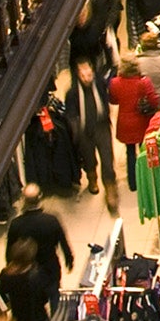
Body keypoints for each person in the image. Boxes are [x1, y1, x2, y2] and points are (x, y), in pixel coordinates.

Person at [61, 59, 118, 211]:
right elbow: (70, 113)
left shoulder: (100, 84)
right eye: (83, 75)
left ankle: (110, 189)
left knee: (107, 159)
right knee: (89, 159)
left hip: (102, 126)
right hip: (84, 130)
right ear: (78, 75)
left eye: (89, 74)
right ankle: (92, 179)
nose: (87, 77)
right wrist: (76, 128)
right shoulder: (72, 93)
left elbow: (106, 100)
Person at [6, 185, 74, 308]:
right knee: (54, 296)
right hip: (50, 266)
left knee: (35, 300)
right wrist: (69, 259)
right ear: (40, 198)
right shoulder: (51, 220)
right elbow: (63, 242)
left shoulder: (16, 225)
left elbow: (10, 250)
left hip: (28, 271)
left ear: (24, 200)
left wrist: (11, 267)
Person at [108, 51, 160, 192]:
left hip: (125, 122)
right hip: (141, 121)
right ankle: (147, 179)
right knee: (145, 151)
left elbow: (113, 101)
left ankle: (133, 183)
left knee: (130, 152)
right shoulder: (143, 82)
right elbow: (153, 100)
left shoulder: (115, 83)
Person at [0, 245, 49, 321]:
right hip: (38, 316)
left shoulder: (6, 275)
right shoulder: (36, 275)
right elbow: (44, 297)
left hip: (20, 316)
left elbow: (3, 292)